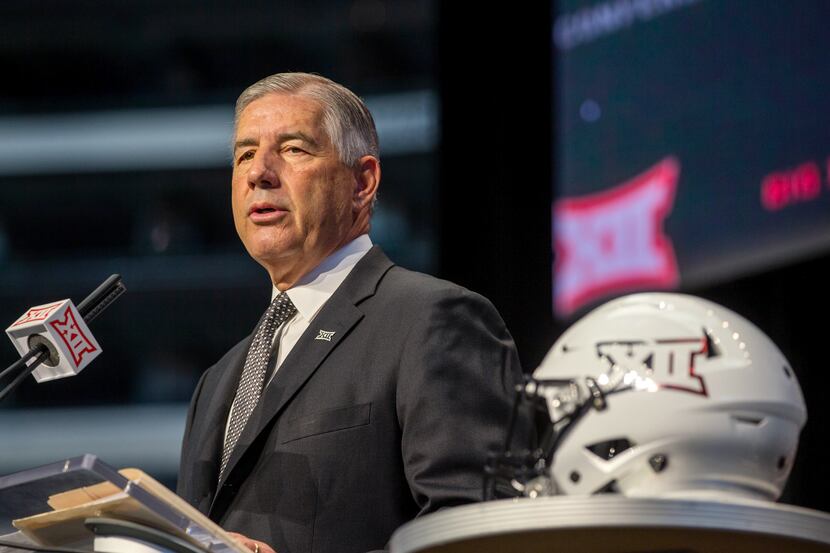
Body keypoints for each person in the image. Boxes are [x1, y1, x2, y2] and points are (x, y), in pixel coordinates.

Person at [176, 72, 527, 553]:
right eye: (245, 154)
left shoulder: (432, 319)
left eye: (294, 149)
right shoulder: (217, 381)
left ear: (362, 182)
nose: (259, 172)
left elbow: (479, 533)